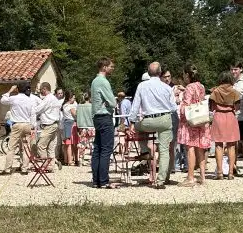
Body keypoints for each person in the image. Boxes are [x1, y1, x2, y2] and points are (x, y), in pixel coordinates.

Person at [128, 61, 176, 189]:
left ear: (148, 73)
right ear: (160, 73)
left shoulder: (142, 86)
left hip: (148, 121)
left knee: (138, 127)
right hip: (165, 119)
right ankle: (161, 180)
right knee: (165, 150)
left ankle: (145, 151)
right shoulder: (167, 88)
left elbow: (135, 106)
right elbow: (173, 107)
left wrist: (132, 123)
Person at [177, 65, 211, 186]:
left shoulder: (189, 87)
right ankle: (202, 177)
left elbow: (186, 105)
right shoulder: (201, 86)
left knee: (190, 147)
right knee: (200, 148)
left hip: (191, 121)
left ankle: (190, 177)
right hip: (201, 120)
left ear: (187, 75)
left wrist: (179, 104)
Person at [90, 58, 118, 189]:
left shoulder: (94, 81)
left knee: (98, 149)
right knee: (106, 149)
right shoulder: (103, 82)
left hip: (96, 117)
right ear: (104, 67)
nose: (112, 68)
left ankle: (96, 180)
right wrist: (111, 102)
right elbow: (112, 102)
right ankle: (104, 180)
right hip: (105, 116)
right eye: (111, 66)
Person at [209, 72, 241, 181]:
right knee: (231, 145)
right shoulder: (235, 92)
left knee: (218, 145)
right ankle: (231, 172)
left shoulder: (215, 91)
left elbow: (211, 107)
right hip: (230, 117)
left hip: (218, 117)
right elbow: (237, 108)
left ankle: (219, 172)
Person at [0, 84, 35, 175]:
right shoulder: (30, 100)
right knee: (26, 147)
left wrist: (10, 91)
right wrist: (32, 126)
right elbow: (33, 114)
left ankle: (7, 169)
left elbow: (2, 100)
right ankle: (24, 168)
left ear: (17, 89)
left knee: (12, 147)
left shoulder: (14, 98)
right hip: (27, 124)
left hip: (17, 124)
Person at [34, 81, 62, 167]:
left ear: (44, 89)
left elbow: (38, 109)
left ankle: (45, 164)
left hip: (49, 126)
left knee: (40, 146)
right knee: (51, 148)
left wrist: (30, 109)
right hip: (55, 125)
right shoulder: (54, 99)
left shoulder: (48, 98)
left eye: (40, 89)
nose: (39, 92)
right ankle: (51, 167)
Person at [60, 91, 78, 166]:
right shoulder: (71, 106)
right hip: (71, 124)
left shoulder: (64, 105)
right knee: (71, 143)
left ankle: (66, 159)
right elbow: (75, 115)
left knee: (66, 144)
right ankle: (71, 160)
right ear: (70, 98)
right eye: (73, 98)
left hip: (65, 123)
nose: (74, 99)